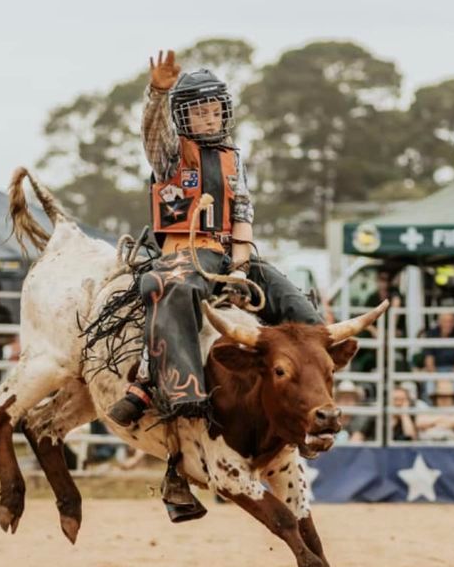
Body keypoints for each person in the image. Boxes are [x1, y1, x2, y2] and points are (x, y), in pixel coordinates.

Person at [105, 50, 324, 520]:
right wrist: (159, 93)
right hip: (185, 252)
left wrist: (242, 271)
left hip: (232, 254)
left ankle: (311, 408)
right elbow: (152, 133)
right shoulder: (169, 156)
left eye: (213, 110)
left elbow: (242, 214)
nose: (207, 117)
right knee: (176, 288)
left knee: (299, 306)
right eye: (197, 111)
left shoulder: (232, 160)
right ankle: (167, 388)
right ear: (184, 118)